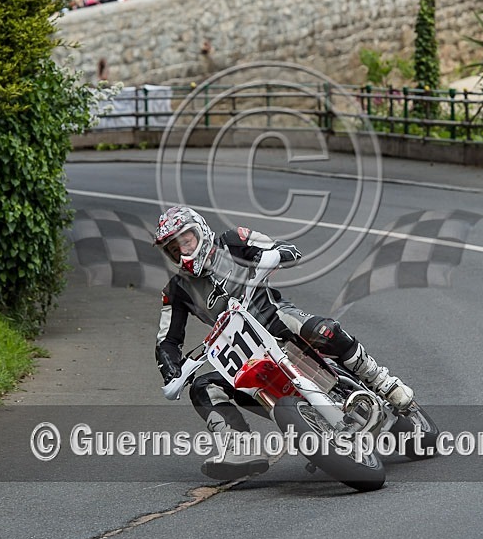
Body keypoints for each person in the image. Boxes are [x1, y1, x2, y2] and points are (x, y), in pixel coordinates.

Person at [154, 205, 414, 480]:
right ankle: (239, 446)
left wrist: (277, 254)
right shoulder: (175, 290)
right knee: (203, 387)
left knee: (324, 330)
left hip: (277, 319)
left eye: (186, 240)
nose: (182, 252)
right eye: (173, 249)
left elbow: (281, 247)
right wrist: (172, 372)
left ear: (200, 231)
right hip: (242, 357)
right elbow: (167, 341)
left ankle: (381, 381)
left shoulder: (232, 240)